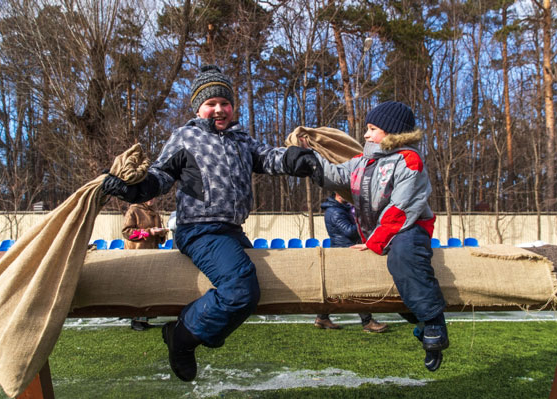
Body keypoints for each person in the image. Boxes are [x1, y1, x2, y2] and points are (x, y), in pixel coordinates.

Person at [101, 65, 318, 382]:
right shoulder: (186, 138)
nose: (219, 109)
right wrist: (135, 189)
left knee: (260, 290)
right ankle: (182, 335)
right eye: (211, 103)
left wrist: (294, 159)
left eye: (225, 102)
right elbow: (161, 176)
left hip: (231, 231)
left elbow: (269, 157)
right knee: (241, 289)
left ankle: (203, 331)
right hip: (199, 229)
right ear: (198, 108)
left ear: (233, 107)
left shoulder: (241, 140)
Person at [308, 101, 449, 372]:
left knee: (404, 257)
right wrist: (308, 164)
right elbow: (337, 174)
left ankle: (434, 323)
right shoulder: (363, 160)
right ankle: (419, 322)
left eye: (372, 129)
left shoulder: (410, 159)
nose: (366, 135)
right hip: (380, 232)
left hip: (409, 228)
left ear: (392, 133)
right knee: (398, 290)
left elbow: (401, 207)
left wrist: (375, 241)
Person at [315, 193, 388, 333]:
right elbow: (349, 232)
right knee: (357, 287)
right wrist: (365, 222)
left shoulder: (340, 209)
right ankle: (367, 322)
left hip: (344, 251)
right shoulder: (335, 211)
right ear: (336, 193)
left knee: (338, 289)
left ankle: (322, 317)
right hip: (344, 253)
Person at [122, 197, 168, 330]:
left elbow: (159, 237)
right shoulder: (134, 210)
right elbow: (127, 232)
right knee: (137, 287)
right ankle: (135, 319)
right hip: (137, 254)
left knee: (149, 287)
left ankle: (145, 317)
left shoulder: (154, 212)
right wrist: (149, 232)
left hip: (152, 253)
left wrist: (161, 233)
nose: (153, 199)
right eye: (150, 196)